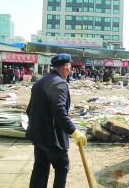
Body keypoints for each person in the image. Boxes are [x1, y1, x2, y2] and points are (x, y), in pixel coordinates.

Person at [26, 53, 87, 188]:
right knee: (61, 168)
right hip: (52, 139)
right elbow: (59, 110)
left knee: (40, 169)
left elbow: (29, 110)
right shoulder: (59, 84)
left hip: (38, 136)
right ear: (65, 66)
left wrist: (38, 126)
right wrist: (74, 132)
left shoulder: (40, 82)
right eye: (70, 66)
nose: (70, 69)